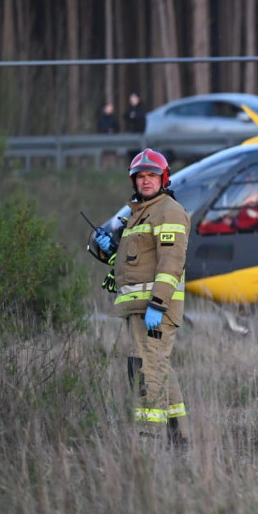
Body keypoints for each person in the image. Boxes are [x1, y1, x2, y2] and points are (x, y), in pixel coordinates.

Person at [93, 148, 190, 446]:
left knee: (147, 371)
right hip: (138, 309)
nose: (146, 181)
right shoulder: (140, 215)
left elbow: (171, 263)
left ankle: (149, 440)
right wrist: (111, 252)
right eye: (140, 176)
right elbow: (136, 265)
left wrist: (158, 305)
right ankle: (180, 438)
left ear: (164, 178)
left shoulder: (168, 211)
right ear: (133, 181)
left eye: (152, 175)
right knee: (158, 366)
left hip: (155, 310)